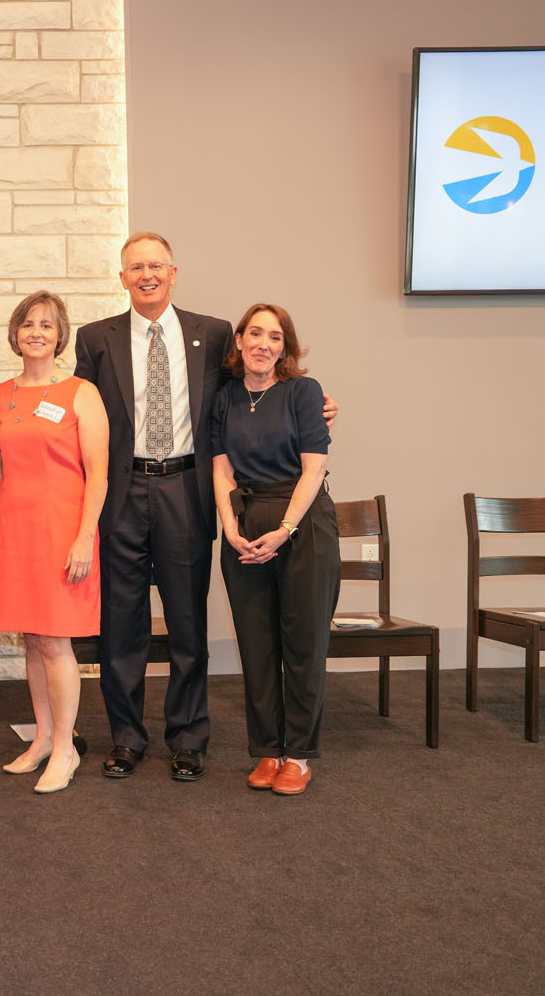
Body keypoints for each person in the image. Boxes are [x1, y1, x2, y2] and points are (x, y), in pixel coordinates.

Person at [74, 231, 335, 784]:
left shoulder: (213, 333)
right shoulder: (95, 339)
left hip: (186, 490)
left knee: (189, 621)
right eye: (135, 267)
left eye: (157, 266)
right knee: (121, 625)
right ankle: (125, 738)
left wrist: (319, 401)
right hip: (121, 494)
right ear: (121, 277)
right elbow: (80, 413)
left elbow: (260, 382)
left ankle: (188, 738)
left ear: (174, 273)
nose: (147, 275)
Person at [211, 304, 338, 796]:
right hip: (244, 528)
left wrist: (284, 529)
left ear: (286, 347)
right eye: (256, 334)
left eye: (276, 337)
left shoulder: (302, 393)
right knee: (256, 644)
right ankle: (267, 749)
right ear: (239, 340)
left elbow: (314, 469)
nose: (265, 344)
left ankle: (300, 755)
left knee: (303, 644)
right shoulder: (224, 399)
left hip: (303, 526)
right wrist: (230, 528)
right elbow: (221, 472)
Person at [0, 292, 109, 794]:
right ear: (15, 333)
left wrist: (84, 537)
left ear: (61, 335)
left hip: (64, 531)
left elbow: (99, 474)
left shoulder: (82, 392)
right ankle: (42, 738)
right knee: (33, 640)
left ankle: (65, 749)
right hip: (16, 531)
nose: (37, 332)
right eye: (28, 324)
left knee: (58, 641)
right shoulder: (1, 395)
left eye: (47, 325)